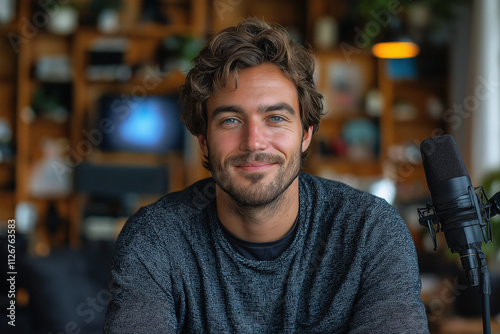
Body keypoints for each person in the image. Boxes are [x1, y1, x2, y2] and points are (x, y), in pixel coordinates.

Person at [104, 18, 429, 333]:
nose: (254, 142)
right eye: (230, 120)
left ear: (306, 134)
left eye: (275, 117)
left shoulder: (369, 232)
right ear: (203, 139)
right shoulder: (156, 240)